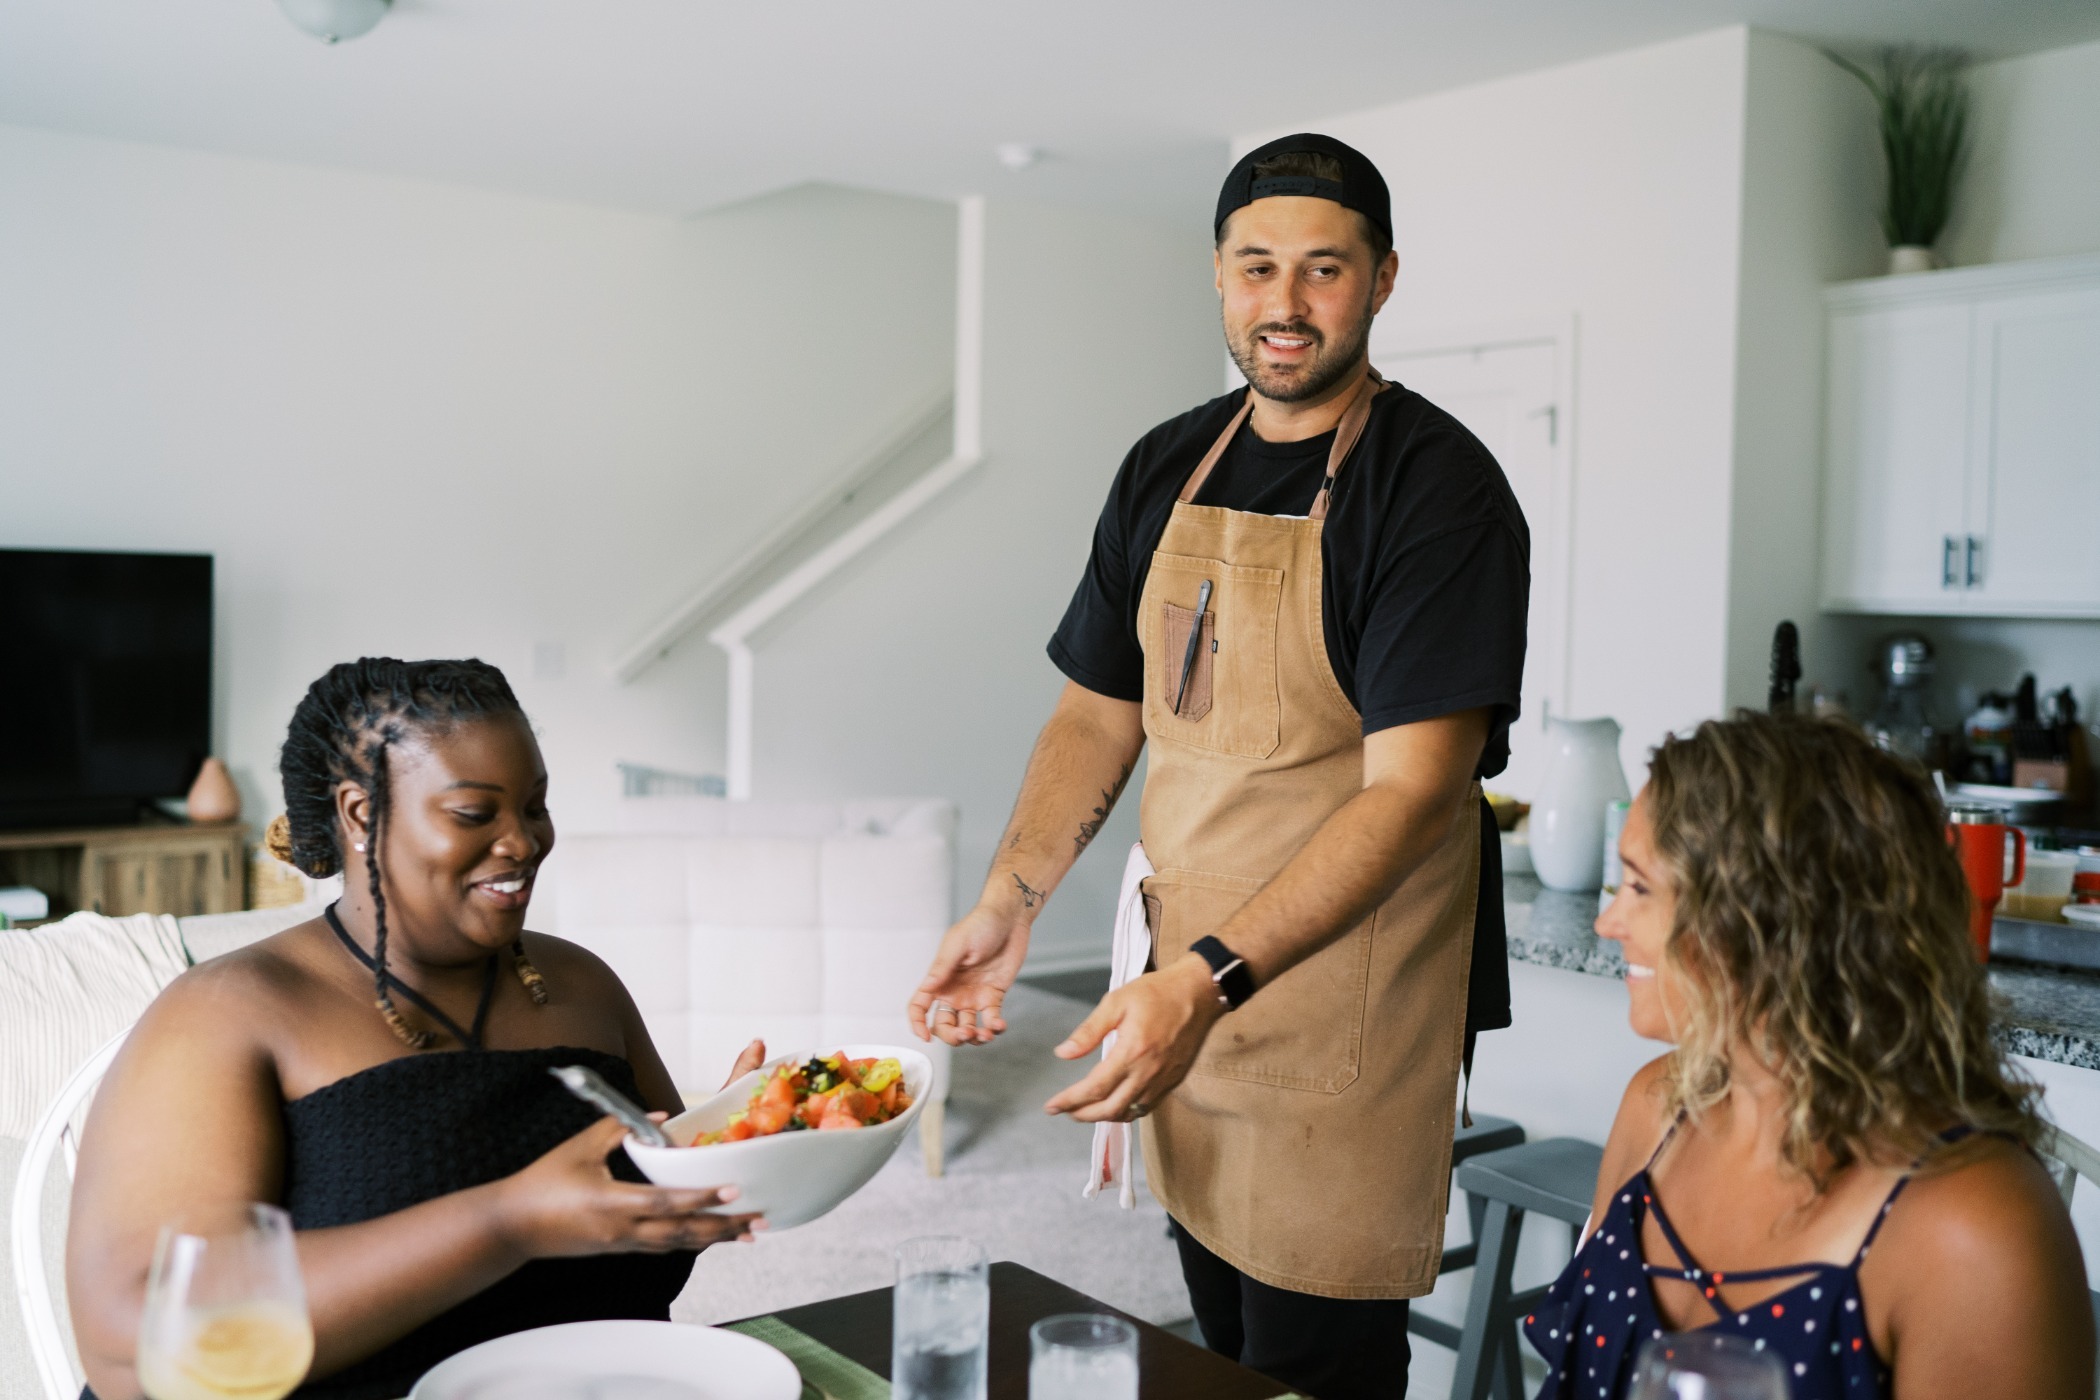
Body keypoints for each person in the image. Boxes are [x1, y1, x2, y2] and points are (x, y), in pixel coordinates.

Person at [908, 133, 1530, 1400]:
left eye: (1323, 270)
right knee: (1219, 1343)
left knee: (1315, 1362)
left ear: (1384, 278)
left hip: (1342, 1005)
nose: (1285, 305)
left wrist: (1213, 976)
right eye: (1257, 268)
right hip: (1182, 997)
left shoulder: (1438, 491)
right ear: (1218, 277)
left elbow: (1414, 790)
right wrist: (1008, 901)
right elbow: (1095, 711)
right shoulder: (1164, 465)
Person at [67, 658, 765, 1400]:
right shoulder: (227, 1013)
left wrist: (733, 1151)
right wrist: (507, 1222)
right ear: (362, 814)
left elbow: (646, 1235)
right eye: (475, 813)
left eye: (535, 807)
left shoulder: (582, 985)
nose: (523, 843)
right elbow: (131, 1344)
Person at [1527, 712, 2093, 1399]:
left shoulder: (1973, 1227)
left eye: (1640, 887)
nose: (1608, 921)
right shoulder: (1657, 1110)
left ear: (1770, 919)